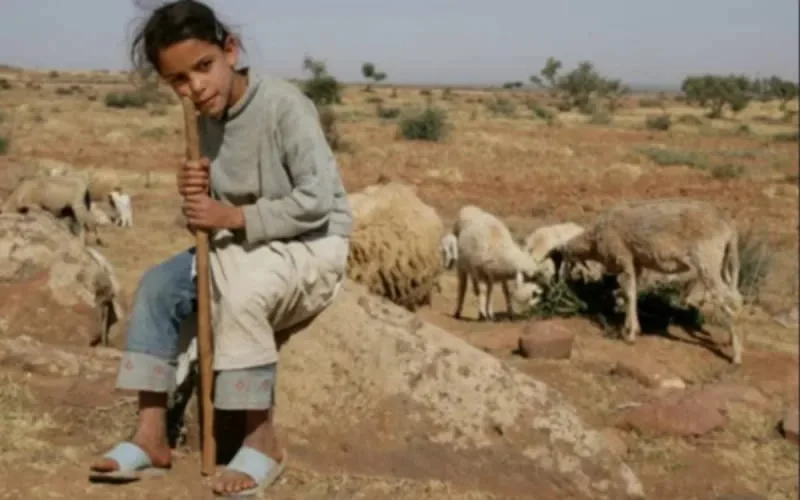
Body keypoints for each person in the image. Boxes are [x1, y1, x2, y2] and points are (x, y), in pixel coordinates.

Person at [88, 0, 353, 496]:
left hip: (311, 243)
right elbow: (212, 212)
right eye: (179, 80)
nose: (196, 86)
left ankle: (262, 440)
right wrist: (195, 194)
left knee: (242, 291)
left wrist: (231, 216)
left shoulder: (284, 105)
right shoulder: (202, 120)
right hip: (241, 244)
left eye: (203, 66)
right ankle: (151, 436)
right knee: (157, 287)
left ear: (230, 50)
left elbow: (317, 200)